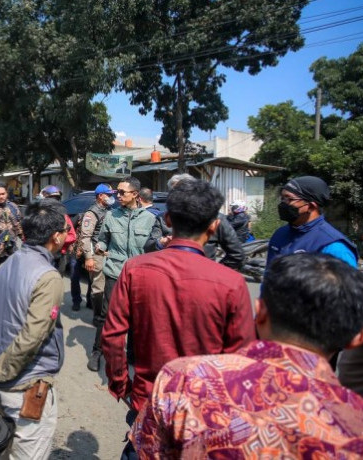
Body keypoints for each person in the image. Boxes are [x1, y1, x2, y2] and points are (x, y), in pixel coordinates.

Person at [132, 254, 363, 458]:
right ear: (356, 339)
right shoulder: (354, 424)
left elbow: (146, 451)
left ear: (260, 312)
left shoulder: (185, 377)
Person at [101, 178, 255, 459]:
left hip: (147, 400)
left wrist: (121, 384)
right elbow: (241, 363)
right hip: (203, 411)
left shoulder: (135, 269)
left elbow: (112, 337)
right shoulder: (232, 284)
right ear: (214, 226)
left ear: (168, 219)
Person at [0, 199, 68, 460]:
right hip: (25, 386)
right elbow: (32, 336)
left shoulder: (5, 266)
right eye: (66, 231)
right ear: (56, 237)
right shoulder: (49, 278)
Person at [266, 175, 361, 396]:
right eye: (283, 198)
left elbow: (343, 303)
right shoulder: (280, 235)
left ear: (311, 205)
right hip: (274, 333)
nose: (283, 204)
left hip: (311, 343)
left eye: (289, 199)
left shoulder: (333, 245)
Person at [88, 176, 155, 372]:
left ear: (135, 194)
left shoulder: (150, 219)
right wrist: (99, 248)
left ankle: (132, 354)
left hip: (139, 276)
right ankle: (97, 351)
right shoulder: (111, 216)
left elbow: (154, 248)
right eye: (117, 192)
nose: (117, 195)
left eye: (121, 192)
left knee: (136, 318)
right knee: (105, 315)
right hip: (114, 273)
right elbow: (103, 239)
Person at [144, 173, 245, 270]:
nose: (181, 196)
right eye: (176, 192)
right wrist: (161, 243)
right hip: (168, 276)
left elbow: (236, 254)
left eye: (186, 191)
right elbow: (148, 246)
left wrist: (215, 271)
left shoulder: (215, 219)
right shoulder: (162, 218)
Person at [73, 183, 115, 312]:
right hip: (96, 254)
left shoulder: (108, 210)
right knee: (98, 288)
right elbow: (86, 237)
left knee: (105, 287)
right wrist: (89, 258)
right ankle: (98, 317)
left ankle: (99, 311)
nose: (111, 197)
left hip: (106, 253)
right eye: (108, 195)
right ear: (100, 196)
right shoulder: (92, 213)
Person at [39, 185, 77, 277]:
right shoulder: (37, 216)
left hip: (59, 256)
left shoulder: (64, 216)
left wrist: (58, 239)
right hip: (42, 255)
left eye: (55, 199)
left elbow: (72, 236)